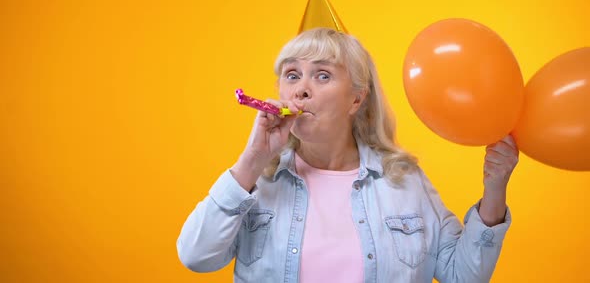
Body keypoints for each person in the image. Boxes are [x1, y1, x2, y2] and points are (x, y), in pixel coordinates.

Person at [176, 28, 519, 282]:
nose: (302, 88)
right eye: (292, 75)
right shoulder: (256, 182)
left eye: (322, 75)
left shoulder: (403, 181)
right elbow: (196, 256)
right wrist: (252, 159)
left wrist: (495, 189)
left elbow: (463, 275)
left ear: (355, 100)